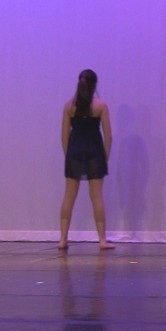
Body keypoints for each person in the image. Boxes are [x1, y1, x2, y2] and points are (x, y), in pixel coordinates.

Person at [59, 69, 114, 249]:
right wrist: (104, 158)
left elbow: (64, 136)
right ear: (94, 85)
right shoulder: (100, 106)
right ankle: (102, 240)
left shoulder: (69, 107)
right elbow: (108, 136)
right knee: (97, 197)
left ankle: (62, 239)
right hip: (94, 153)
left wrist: (69, 156)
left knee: (69, 196)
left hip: (75, 152)